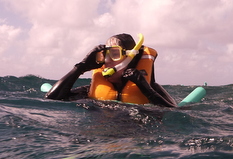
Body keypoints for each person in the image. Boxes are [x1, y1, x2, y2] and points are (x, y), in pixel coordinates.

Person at [45, 33, 177, 107]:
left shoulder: (151, 88)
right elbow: (51, 100)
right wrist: (81, 67)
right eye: (104, 54)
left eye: (114, 54)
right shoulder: (91, 90)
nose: (107, 61)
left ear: (131, 58)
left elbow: (174, 113)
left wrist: (147, 91)